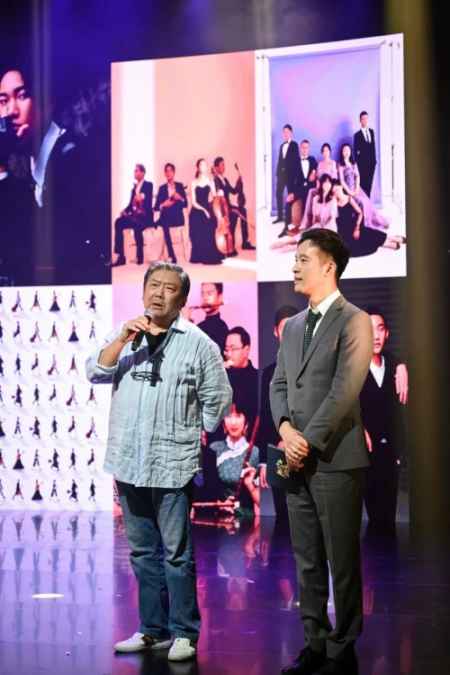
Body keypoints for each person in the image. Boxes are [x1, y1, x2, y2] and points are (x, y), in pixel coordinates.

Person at [86, 261, 232, 661]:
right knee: (141, 552)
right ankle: (152, 629)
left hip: (172, 462)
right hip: (129, 459)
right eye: (153, 285)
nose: (158, 293)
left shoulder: (199, 343)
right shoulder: (126, 335)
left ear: (182, 300)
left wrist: (192, 431)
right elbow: (94, 371)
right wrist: (123, 338)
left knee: (176, 554)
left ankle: (184, 631)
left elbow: (218, 399)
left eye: (168, 288)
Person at [270, 229, 373, 674]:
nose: (294, 266)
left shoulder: (355, 319)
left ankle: (342, 646)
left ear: (329, 266)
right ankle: (314, 642)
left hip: (335, 459)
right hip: (295, 458)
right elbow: (278, 384)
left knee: (341, 559)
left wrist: (305, 441)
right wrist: (285, 430)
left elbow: (344, 391)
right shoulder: (293, 326)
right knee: (307, 559)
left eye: (303, 259)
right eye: (294, 258)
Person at [360, 308, 407, 532]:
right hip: (365, 457)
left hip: (391, 456)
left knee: (389, 520)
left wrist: (401, 364)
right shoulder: (353, 370)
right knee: (374, 521)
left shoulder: (394, 368)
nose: (375, 336)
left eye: (380, 329)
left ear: (387, 333)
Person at [258, 305, 298, 525]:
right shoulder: (268, 373)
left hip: (303, 450)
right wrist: (265, 461)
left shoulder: (311, 368)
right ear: (275, 332)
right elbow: (265, 417)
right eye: (284, 328)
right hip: (278, 452)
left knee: (304, 514)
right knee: (283, 514)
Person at [210, 405, 260, 517]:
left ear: (246, 421)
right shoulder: (214, 448)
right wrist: (220, 503)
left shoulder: (254, 452)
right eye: (228, 416)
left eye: (238, 416)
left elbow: (265, 505)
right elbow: (206, 490)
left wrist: (250, 485)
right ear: (223, 421)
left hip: (247, 519)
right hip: (219, 518)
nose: (233, 422)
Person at [333, 183, 405, 256]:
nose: (335, 192)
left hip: (353, 225)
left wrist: (357, 228)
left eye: (336, 190)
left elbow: (360, 213)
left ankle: (393, 239)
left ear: (341, 187)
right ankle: (388, 243)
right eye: (334, 191)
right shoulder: (333, 202)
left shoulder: (348, 198)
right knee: (352, 248)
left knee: (366, 234)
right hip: (343, 229)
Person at [338, 143, 388, 230]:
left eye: (348, 150)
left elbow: (357, 176)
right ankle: (368, 223)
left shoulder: (354, 163)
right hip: (347, 190)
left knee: (368, 202)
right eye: (344, 150)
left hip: (357, 189)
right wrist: (350, 192)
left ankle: (378, 221)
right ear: (342, 152)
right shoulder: (340, 165)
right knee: (362, 202)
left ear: (350, 152)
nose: (346, 152)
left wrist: (357, 188)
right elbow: (342, 181)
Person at [112, 164, 154, 266]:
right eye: (134, 171)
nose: (135, 173)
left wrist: (141, 196)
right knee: (118, 222)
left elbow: (146, 197)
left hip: (145, 217)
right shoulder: (133, 189)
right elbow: (131, 205)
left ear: (143, 173)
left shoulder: (149, 185)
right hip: (136, 217)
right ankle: (121, 256)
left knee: (137, 224)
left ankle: (140, 256)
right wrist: (124, 210)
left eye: (137, 171)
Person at [213, 156, 255, 254]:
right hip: (223, 208)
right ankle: (231, 245)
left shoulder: (225, 180)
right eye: (222, 165)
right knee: (234, 215)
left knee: (243, 210)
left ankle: (245, 242)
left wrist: (239, 181)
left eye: (224, 165)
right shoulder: (215, 180)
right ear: (216, 167)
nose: (224, 167)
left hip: (229, 206)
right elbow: (218, 197)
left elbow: (234, 191)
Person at [224, 326, 258, 436]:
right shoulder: (222, 377)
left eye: (233, 349)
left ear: (246, 350)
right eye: (226, 349)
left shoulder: (258, 379)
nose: (229, 354)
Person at [280, 139, 318, 238]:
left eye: (306, 148)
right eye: (303, 148)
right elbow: (290, 178)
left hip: (310, 188)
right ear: (300, 149)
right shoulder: (295, 161)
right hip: (299, 189)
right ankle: (286, 227)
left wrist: (314, 173)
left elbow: (316, 170)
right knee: (288, 202)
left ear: (309, 149)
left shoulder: (312, 159)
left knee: (307, 203)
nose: (305, 150)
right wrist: (291, 192)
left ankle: (307, 229)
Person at [189, 158, 223, 264]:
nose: (204, 167)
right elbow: (193, 202)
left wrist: (219, 194)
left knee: (210, 222)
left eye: (205, 165)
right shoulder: (193, 182)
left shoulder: (210, 181)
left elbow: (214, 197)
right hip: (197, 209)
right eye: (202, 165)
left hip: (207, 207)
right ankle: (199, 255)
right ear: (198, 168)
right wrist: (204, 210)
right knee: (199, 219)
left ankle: (209, 252)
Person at [154, 162, 188, 264]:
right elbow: (156, 206)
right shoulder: (162, 188)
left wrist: (180, 198)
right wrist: (163, 204)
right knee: (165, 222)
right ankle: (172, 255)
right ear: (165, 173)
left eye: (170, 171)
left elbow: (185, 204)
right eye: (166, 171)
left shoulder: (180, 186)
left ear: (174, 172)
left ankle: (157, 223)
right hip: (166, 217)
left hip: (177, 217)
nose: (168, 173)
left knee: (163, 221)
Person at [274, 124, 300, 225]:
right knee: (278, 194)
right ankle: (280, 216)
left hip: (290, 175)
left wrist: (295, 176)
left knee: (290, 196)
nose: (285, 134)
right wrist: (278, 174)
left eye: (287, 132)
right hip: (281, 175)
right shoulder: (282, 146)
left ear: (291, 133)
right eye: (284, 132)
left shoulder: (294, 145)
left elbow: (296, 161)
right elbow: (280, 160)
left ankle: (289, 218)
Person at [197, 283, 229, 355]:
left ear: (220, 297)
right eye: (202, 294)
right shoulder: (199, 327)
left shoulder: (222, 328)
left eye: (209, 293)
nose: (205, 298)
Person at [353, 111, 377, 197]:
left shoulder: (371, 132)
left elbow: (373, 147)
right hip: (362, 165)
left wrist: (374, 161)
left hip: (371, 163)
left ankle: (368, 202)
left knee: (369, 184)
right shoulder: (357, 135)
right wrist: (358, 164)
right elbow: (355, 152)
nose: (365, 120)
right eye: (363, 119)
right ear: (360, 121)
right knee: (363, 185)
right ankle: (364, 202)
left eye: (366, 118)